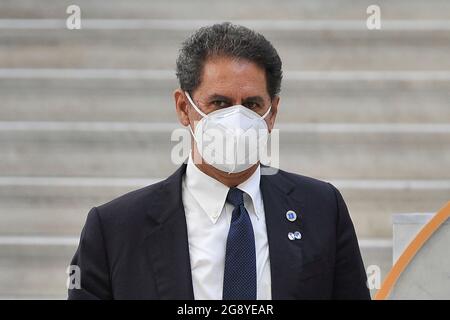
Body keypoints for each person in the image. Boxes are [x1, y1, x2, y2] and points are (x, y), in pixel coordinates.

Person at [68, 22, 370, 300]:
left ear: (272, 113)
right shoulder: (115, 230)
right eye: (219, 103)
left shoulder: (321, 209)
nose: (237, 118)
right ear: (184, 108)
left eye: (252, 104)